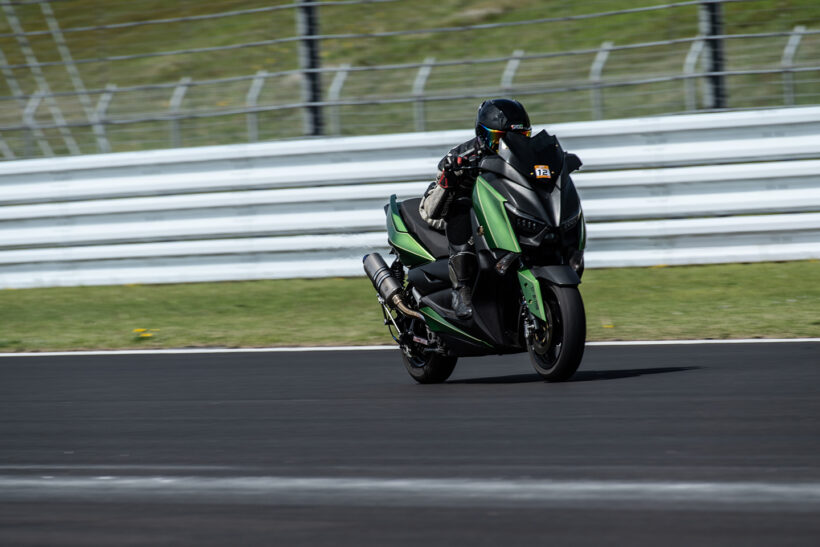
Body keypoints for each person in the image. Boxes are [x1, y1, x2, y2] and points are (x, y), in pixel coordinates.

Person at [419, 98, 532, 319]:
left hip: (502, 207)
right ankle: (461, 289)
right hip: (443, 208)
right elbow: (433, 211)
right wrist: (451, 175)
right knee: (464, 206)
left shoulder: (526, 154)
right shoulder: (462, 154)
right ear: (483, 135)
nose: (508, 145)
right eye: (499, 139)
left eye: (520, 136)